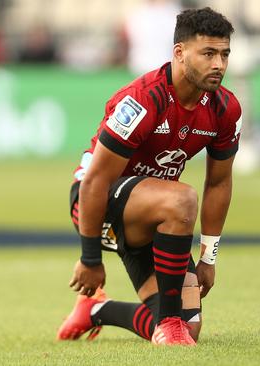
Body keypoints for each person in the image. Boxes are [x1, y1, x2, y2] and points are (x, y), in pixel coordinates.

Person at [56, 7, 241, 346]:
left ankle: (98, 311)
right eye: (209, 53)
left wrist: (208, 259)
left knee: (191, 330)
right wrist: (89, 259)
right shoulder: (143, 100)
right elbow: (95, 180)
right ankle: (168, 321)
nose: (219, 64)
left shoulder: (225, 109)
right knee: (181, 198)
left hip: (155, 214)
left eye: (225, 54)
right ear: (180, 53)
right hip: (95, 203)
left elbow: (219, 183)